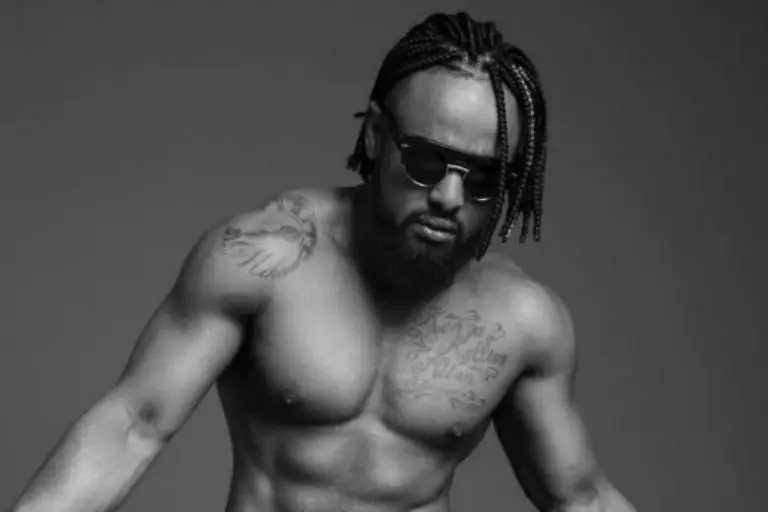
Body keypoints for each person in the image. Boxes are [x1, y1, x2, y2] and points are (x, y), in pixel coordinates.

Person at [8, 11, 637, 512]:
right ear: (376, 136)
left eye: (480, 178)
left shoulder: (522, 323)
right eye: (426, 162)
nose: (449, 197)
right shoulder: (266, 262)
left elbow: (579, 497)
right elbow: (133, 425)